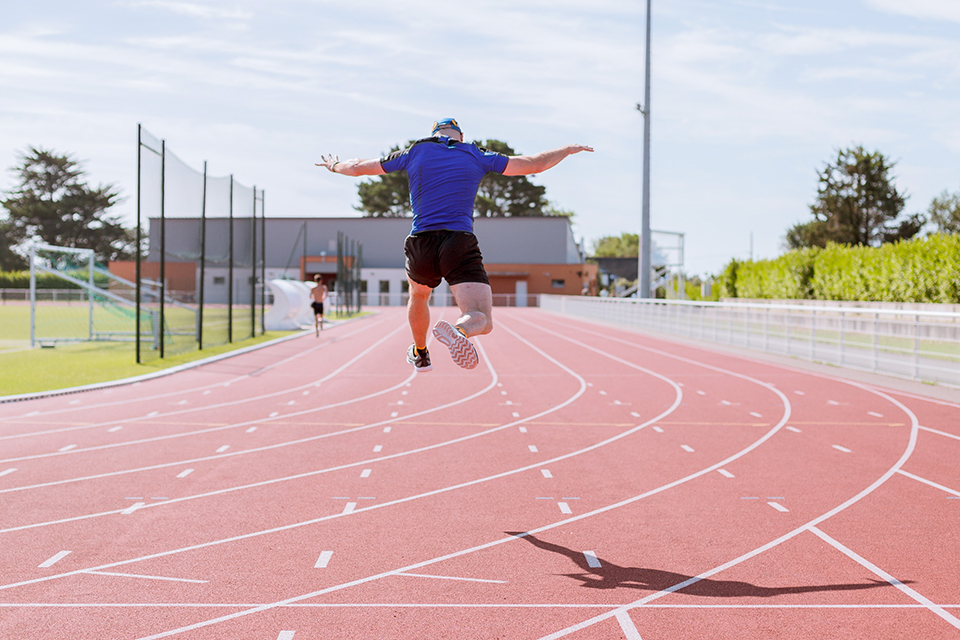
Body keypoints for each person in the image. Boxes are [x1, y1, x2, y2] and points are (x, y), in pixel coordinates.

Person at [317, 118, 592, 371]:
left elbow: (356, 168)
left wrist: (333, 166)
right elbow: (534, 164)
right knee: (481, 316)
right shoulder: (475, 153)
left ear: (434, 133)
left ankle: (421, 352)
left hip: (420, 242)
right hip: (457, 241)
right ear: (460, 136)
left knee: (419, 296)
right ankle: (460, 331)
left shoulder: (415, 151)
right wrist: (566, 149)